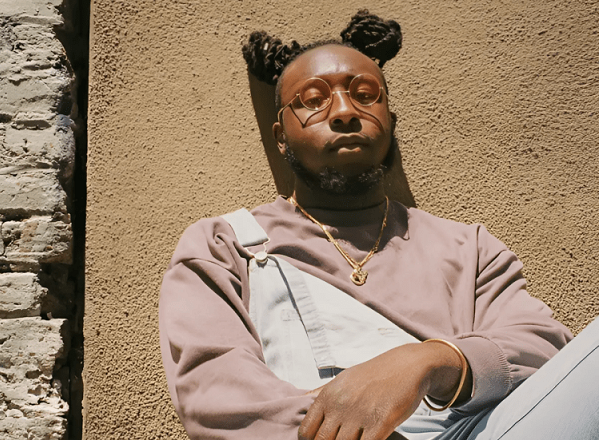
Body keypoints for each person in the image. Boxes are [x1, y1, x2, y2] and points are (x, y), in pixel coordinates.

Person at [159, 10, 598, 440]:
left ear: (390, 121)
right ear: (281, 137)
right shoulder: (224, 244)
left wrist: (431, 361)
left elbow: (546, 352)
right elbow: (214, 391)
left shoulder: (469, 247)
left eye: (366, 95)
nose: (344, 111)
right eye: (313, 100)